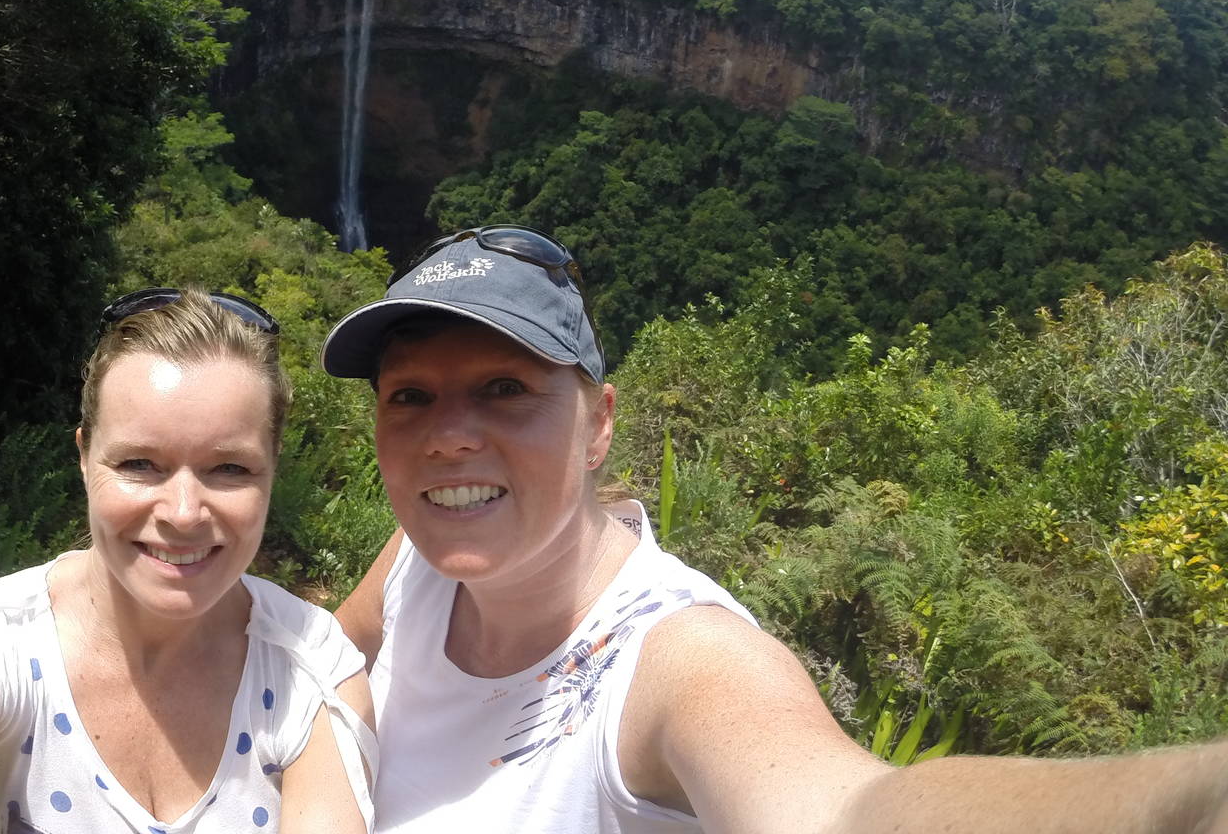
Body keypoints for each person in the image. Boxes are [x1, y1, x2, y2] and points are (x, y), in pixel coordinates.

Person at [322, 226, 1228, 834]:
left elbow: (851, 809)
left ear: (598, 424)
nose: (448, 438)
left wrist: (1187, 800)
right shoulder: (417, 563)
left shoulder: (680, 660)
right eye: (410, 397)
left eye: (505, 389)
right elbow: (317, 663)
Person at [0, 288, 376, 834]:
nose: (184, 513)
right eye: (140, 463)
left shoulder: (316, 669)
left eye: (230, 468)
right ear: (84, 457)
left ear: (273, 468)